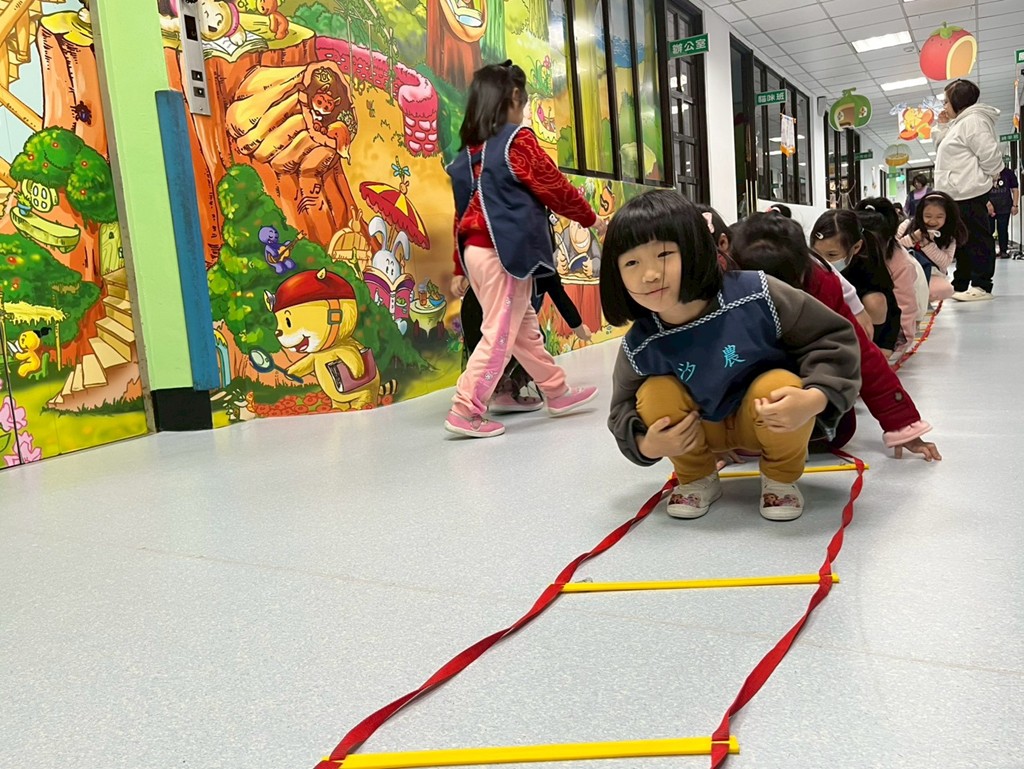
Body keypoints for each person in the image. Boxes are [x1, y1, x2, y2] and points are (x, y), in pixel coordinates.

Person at [602, 190, 861, 522]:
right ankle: (697, 478)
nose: (649, 275)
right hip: (700, 430)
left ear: (696, 248)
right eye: (631, 263)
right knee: (654, 393)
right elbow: (621, 407)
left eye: (664, 254)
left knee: (779, 384)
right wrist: (647, 444)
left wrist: (815, 397)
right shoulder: (640, 342)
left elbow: (831, 337)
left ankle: (780, 480)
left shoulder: (756, 294)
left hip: (765, 420)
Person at [446, 61, 603, 438]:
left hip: (476, 252)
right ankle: (466, 409)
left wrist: (459, 267)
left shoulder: (468, 154)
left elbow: (461, 215)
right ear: (514, 97)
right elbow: (555, 186)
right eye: (525, 100)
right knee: (499, 333)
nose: (525, 108)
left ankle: (557, 391)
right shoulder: (517, 141)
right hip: (504, 254)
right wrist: (592, 220)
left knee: (524, 330)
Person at [730, 214, 940, 462]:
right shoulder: (721, 290)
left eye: (785, 290)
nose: (778, 299)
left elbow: (860, 352)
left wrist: (902, 424)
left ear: (802, 272)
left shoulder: (821, 285)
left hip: (810, 402)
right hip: (742, 403)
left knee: (830, 408)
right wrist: (710, 439)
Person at [459, 274, 594, 414]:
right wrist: (578, 327)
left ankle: (492, 394)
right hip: (500, 307)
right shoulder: (537, 266)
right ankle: (492, 395)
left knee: (492, 354)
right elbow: (558, 295)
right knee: (526, 345)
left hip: (477, 308)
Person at [933, 78, 1004, 301]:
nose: (944, 106)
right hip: (957, 193)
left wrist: (987, 177)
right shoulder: (960, 123)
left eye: (946, 101)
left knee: (977, 239)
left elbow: (991, 156)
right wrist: (943, 125)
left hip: (969, 192)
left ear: (958, 100)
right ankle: (961, 283)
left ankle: (981, 285)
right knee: (962, 242)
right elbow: (942, 147)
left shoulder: (973, 121)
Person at [810, 210, 901, 357]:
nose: (823, 261)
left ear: (856, 247)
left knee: (875, 301)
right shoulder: (808, 265)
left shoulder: (867, 265)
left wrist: (886, 346)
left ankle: (867, 349)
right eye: (816, 253)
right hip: (823, 331)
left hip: (858, 327)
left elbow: (891, 307)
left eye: (832, 255)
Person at [856, 198, 920, 356]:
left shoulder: (901, 265)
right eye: (859, 245)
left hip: (895, 323)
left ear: (888, 240)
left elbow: (904, 310)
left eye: (871, 244)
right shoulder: (851, 256)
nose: (863, 250)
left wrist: (891, 346)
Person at [896, 191, 965, 303]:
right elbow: (893, 248)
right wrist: (913, 238)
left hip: (932, 274)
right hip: (904, 271)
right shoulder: (907, 225)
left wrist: (927, 244)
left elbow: (945, 263)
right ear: (920, 214)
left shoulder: (950, 237)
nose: (932, 221)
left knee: (944, 290)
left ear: (947, 216)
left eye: (939, 217)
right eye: (928, 216)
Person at [988, 166, 1020, 257]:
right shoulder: (986, 172)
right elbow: (980, 191)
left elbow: (1015, 189)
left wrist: (1015, 205)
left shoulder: (1008, 173)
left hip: (1004, 206)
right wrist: (987, 204)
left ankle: (1003, 251)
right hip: (988, 207)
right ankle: (989, 251)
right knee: (988, 230)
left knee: (1003, 229)